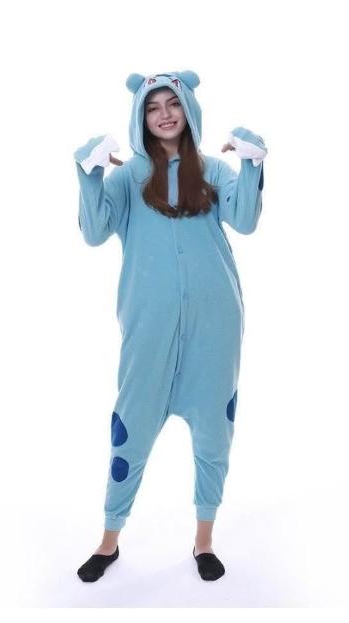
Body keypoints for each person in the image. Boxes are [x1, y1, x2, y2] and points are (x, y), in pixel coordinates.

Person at [73, 70, 267, 582]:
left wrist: (251, 164)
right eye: (153, 106)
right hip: (149, 329)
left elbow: (245, 221)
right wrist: (90, 173)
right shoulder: (128, 178)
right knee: (130, 432)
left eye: (173, 104)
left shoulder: (213, 170)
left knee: (214, 435)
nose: (164, 113)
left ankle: (204, 542)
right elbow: (94, 231)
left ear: (188, 110)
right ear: (140, 117)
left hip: (215, 326)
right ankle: (109, 541)